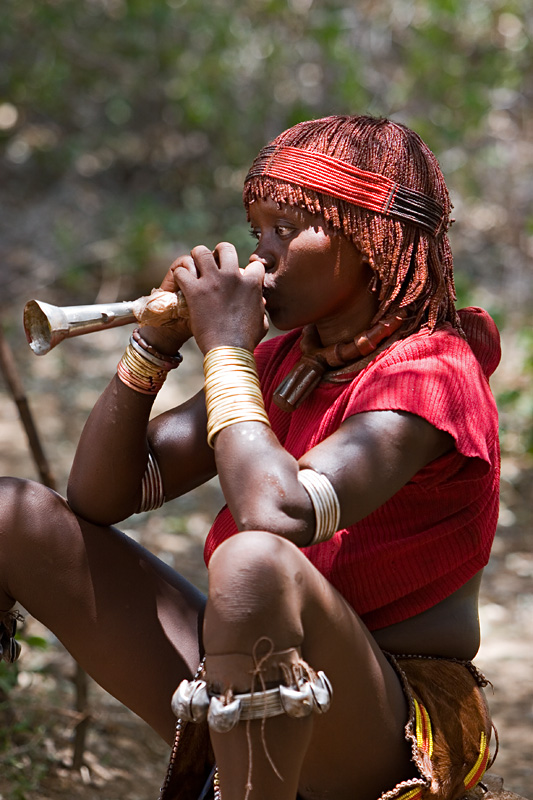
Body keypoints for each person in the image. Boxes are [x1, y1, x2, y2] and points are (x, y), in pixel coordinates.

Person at [0, 115, 501, 800]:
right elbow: (98, 498)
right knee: (12, 516)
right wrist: (153, 347)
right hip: (249, 667)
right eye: (256, 231)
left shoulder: (431, 374)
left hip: (387, 718)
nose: (260, 258)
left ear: (367, 241)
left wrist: (226, 349)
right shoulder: (286, 361)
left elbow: (276, 514)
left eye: (286, 231)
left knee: (252, 559)